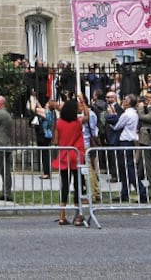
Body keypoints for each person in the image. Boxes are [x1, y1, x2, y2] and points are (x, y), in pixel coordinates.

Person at [52, 97, 86, 226]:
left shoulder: (59, 122)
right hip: (76, 155)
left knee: (64, 186)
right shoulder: (77, 122)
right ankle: (78, 216)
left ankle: (62, 215)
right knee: (77, 186)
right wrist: (84, 104)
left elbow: (55, 140)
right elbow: (87, 117)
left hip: (64, 156)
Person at [110, 94, 149, 203]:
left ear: (128, 103)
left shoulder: (126, 114)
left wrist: (111, 118)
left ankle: (142, 192)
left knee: (128, 169)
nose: (123, 101)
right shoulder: (134, 113)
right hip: (129, 141)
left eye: (125, 99)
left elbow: (117, 126)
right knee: (124, 170)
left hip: (124, 141)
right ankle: (125, 193)